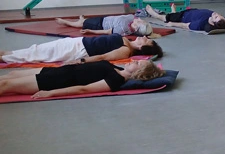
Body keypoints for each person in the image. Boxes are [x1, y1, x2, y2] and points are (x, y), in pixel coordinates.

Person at [0, 60, 165, 99]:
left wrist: (50, 93)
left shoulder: (115, 80)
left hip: (54, 81)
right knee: (11, 75)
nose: (133, 60)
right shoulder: (118, 69)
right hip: (58, 71)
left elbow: (83, 89)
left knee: (6, 85)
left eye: (137, 63)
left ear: (139, 72)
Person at [0, 34, 162, 64]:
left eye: (146, 40)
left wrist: (80, 61)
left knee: (33, 54)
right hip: (76, 42)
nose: (144, 36)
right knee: (34, 50)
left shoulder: (125, 50)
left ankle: (5, 56)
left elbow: (103, 57)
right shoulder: (126, 39)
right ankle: (6, 54)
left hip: (76, 51)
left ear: (142, 47)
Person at [145, 4, 225, 32]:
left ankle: (155, 15)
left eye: (216, 16)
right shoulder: (222, 21)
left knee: (168, 18)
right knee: (174, 15)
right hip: (193, 11)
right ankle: (173, 12)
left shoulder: (200, 24)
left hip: (183, 17)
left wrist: (172, 24)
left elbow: (186, 25)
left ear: (212, 23)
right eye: (220, 15)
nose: (216, 14)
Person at [55, 14, 153, 37]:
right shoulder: (132, 18)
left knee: (80, 24)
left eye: (140, 21)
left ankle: (66, 22)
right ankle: (83, 20)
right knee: (85, 21)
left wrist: (90, 31)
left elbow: (106, 32)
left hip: (99, 25)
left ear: (136, 28)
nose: (139, 19)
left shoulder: (122, 29)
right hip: (105, 19)